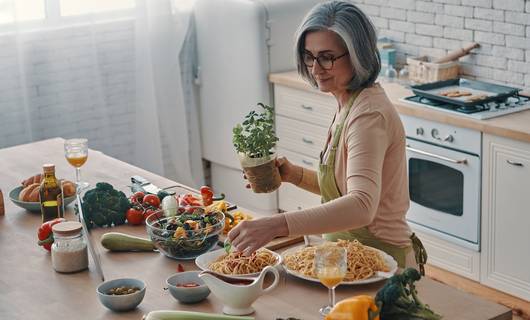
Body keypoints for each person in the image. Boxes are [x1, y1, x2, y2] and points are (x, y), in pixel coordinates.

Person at [227, 0, 426, 271]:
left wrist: (276, 224)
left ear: (358, 55)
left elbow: (361, 205)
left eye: (327, 57)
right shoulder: (349, 101)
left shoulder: (367, 116)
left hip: (381, 264)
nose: (315, 68)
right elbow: (346, 186)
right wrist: (293, 174)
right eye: (309, 56)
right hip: (347, 258)